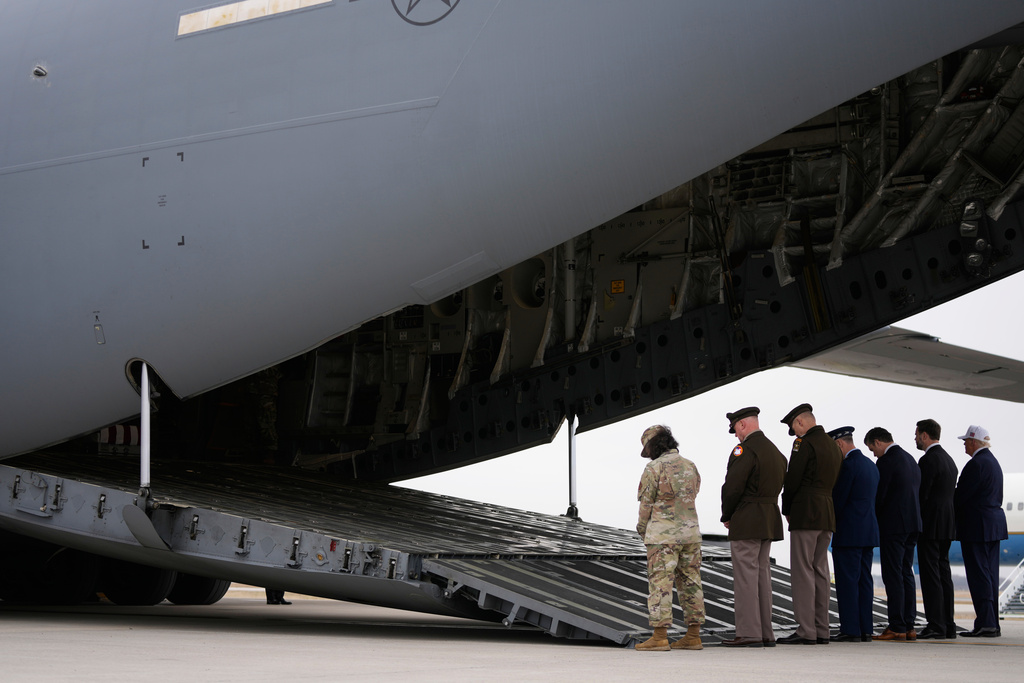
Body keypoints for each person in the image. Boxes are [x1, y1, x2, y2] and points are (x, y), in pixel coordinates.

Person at [719, 407, 787, 648]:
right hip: (768, 519)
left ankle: (749, 633)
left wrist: (727, 515)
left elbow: (733, 487)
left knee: (746, 579)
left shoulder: (744, 450)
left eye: (736, 430)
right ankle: (765, 633)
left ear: (743, 425)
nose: (736, 436)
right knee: (762, 577)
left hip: (747, 519)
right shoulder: (776, 452)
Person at [634, 424, 706, 651]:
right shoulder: (690, 465)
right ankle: (693, 636)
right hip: (691, 534)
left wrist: (643, 530)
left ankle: (659, 637)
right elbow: (694, 493)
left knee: (660, 584)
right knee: (691, 583)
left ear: (654, 446)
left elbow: (646, 504)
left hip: (662, 537)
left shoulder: (653, 468)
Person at [778, 404, 842, 645]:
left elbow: (792, 479)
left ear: (801, 423)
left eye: (794, 428)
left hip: (806, 512)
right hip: (826, 512)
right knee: (821, 572)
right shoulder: (833, 445)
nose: (795, 434)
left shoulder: (804, 444)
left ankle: (806, 630)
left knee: (803, 571)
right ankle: (822, 629)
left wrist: (787, 509)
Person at [865, 426, 921, 641]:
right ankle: (909, 625)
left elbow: (881, 495)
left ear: (878, 442)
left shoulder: (887, 462)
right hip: (913, 524)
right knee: (907, 573)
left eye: (872, 449)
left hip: (894, 525)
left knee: (893, 574)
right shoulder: (910, 459)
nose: (874, 454)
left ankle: (896, 625)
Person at [954, 425, 1008, 637]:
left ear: (974, 442)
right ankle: (991, 622)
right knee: (990, 575)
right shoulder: (993, 463)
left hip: (977, 527)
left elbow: (961, 497)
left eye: (966, 441)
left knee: (979, 576)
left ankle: (986, 623)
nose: (964, 445)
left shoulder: (976, 464)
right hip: (993, 526)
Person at [828, 426, 879, 642]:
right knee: (864, 581)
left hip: (849, 533)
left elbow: (838, 500)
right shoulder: (870, 465)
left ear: (839, 443)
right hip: (868, 532)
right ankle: (865, 628)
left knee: (847, 582)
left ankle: (850, 629)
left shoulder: (848, 466)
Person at [914, 418, 960, 639]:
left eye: (916, 435)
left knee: (930, 575)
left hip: (930, 525)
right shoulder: (950, 460)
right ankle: (948, 624)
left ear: (924, 435)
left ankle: (935, 625)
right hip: (947, 525)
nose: (915, 438)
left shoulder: (928, 461)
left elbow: (922, 496)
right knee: (944, 574)